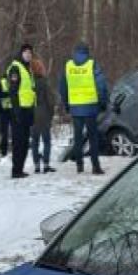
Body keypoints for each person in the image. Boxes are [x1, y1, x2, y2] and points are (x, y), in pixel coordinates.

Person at [58, 41, 109, 175]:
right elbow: (101, 85)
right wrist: (103, 102)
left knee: (78, 138)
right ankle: (95, 166)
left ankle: (79, 166)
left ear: (75, 52)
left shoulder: (68, 66)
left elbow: (63, 87)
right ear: (87, 52)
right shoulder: (92, 64)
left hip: (75, 108)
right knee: (93, 137)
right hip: (91, 107)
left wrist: (66, 104)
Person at [6, 43, 37, 178]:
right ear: (21, 54)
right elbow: (13, 91)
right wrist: (16, 110)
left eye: (30, 53)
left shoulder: (28, 68)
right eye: (26, 52)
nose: (28, 55)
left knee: (24, 142)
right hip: (18, 110)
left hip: (27, 109)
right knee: (18, 142)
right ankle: (16, 170)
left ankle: (20, 168)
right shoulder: (15, 68)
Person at [30, 58, 56, 174]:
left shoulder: (29, 82)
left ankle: (36, 164)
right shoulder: (45, 82)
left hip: (32, 115)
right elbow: (50, 100)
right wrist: (51, 113)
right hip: (44, 113)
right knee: (46, 140)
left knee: (34, 141)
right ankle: (46, 164)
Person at [0, 63, 13, 158]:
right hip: (11, 107)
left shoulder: (0, 82)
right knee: (15, 129)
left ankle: (3, 150)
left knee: (4, 131)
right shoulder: (12, 80)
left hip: (3, 109)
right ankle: (13, 148)